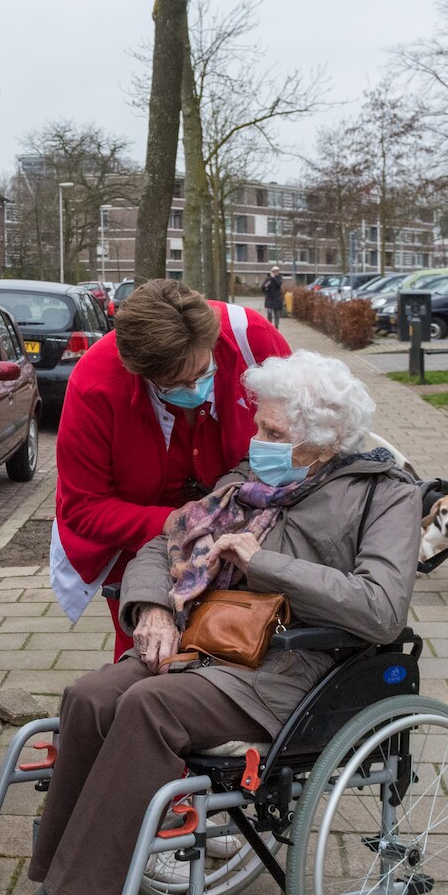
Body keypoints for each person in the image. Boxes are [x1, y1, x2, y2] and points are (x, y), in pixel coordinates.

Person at [0, 350, 418, 895]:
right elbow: (163, 543)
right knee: (91, 697)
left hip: (292, 668)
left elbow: (380, 608)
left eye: (273, 434)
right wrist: (151, 606)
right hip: (207, 646)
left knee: (151, 709)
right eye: (258, 427)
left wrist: (265, 563)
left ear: (321, 442)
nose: (255, 442)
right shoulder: (250, 481)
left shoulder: (383, 492)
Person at [53, 278, 291, 662]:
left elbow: (303, 436)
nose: (194, 387)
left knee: (250, 641)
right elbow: (83, 507)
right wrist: (173, 522)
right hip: (141, 536)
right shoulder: (95, 384)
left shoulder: (254, 340)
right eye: (176, 384)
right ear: (140, 373)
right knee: (147, 650)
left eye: (202, 371)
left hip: (253, 523)